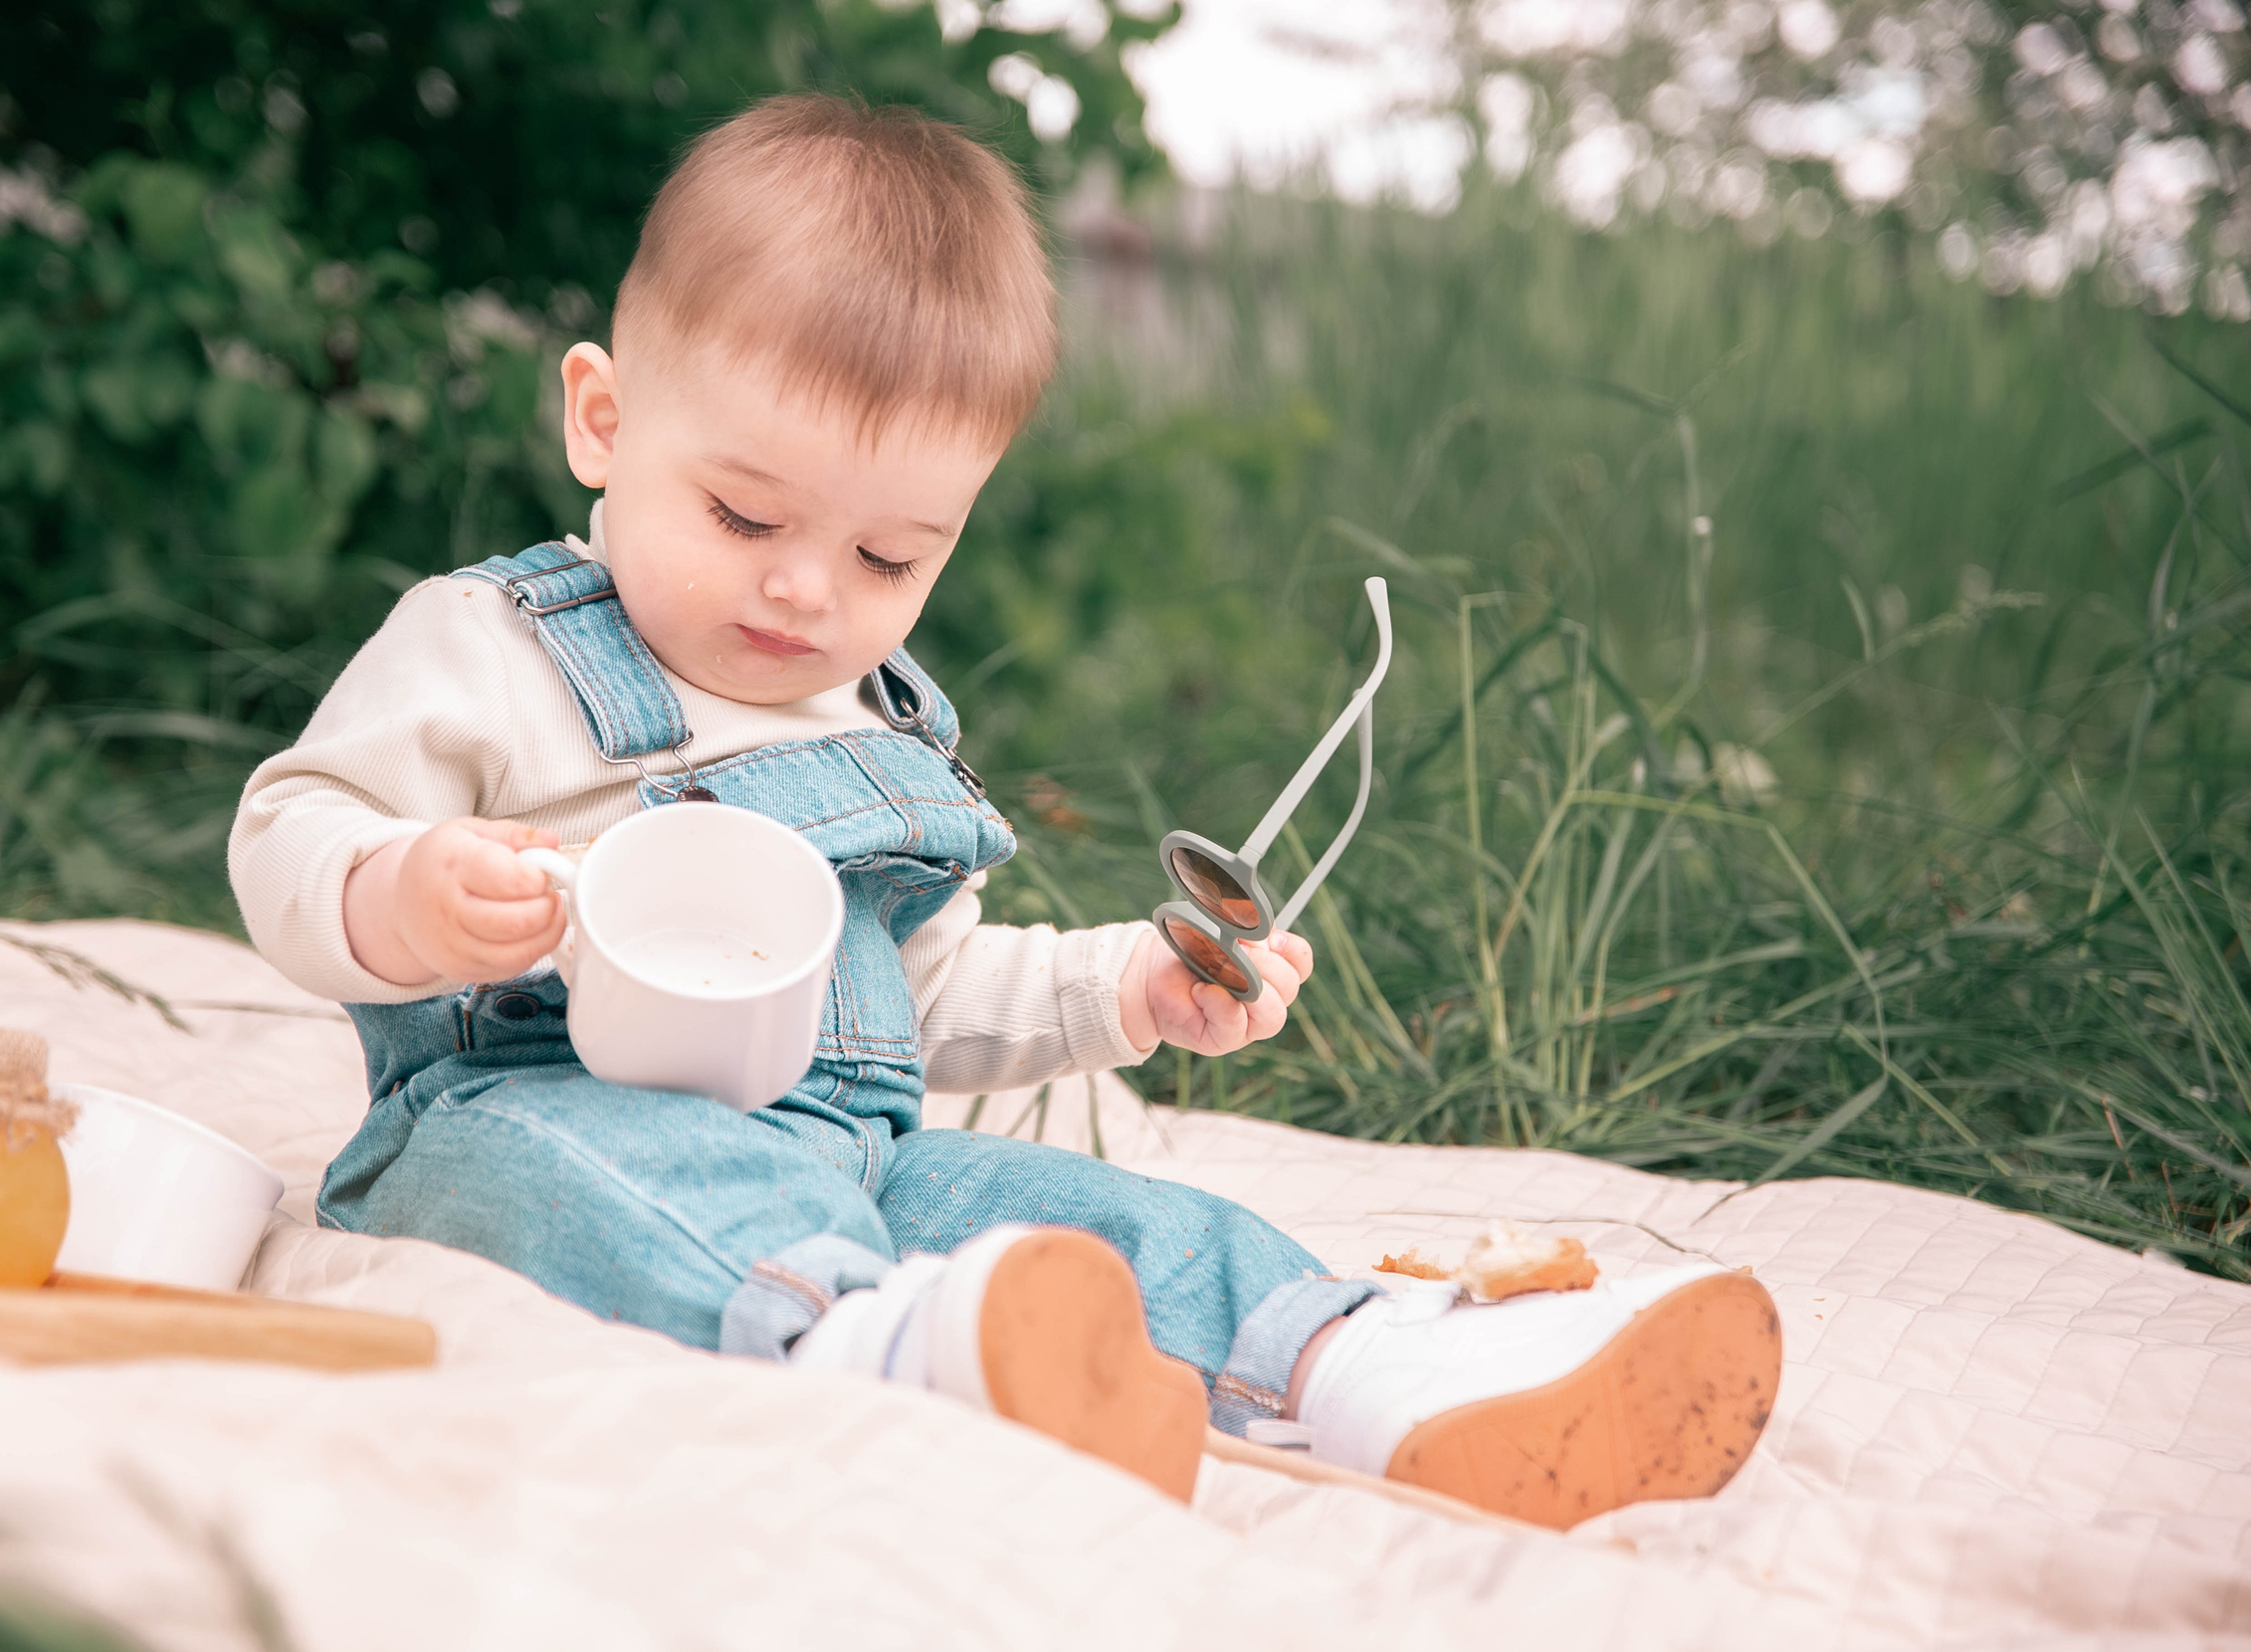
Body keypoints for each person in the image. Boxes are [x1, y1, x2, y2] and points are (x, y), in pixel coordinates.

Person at [229, 94, 1779, 1526]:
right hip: (512, 1120)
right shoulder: (495, 649)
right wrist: (399, 889)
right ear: (605, 422)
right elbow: (289, 827)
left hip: (858, 1159)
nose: (803, 589)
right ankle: (875, 1355)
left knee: (1088, 1221)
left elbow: (925, 999)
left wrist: (1131, 986)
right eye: (745, 514)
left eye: (888, 560)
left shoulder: (880, 726)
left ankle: (1388, 1382)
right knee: (637, 1186)